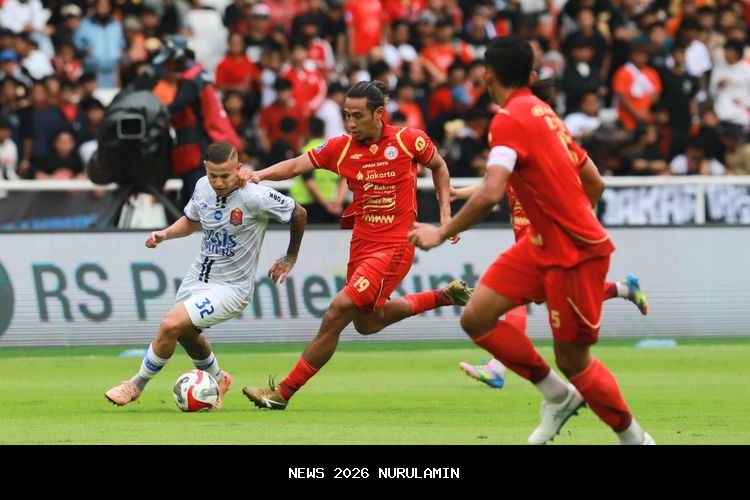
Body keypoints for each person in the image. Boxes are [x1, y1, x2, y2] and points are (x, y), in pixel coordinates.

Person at [408, 36, 654, 445]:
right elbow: (594, 181)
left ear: (487, 75)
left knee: (573, 360)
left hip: (573, 252)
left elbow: (491, 193)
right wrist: (572, 214)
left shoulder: (507, 120)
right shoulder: (546, 114)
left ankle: (637, 440)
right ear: (531, 75)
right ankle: (558, 397)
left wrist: (441, 232)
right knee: (476, 317)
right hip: (541, 244)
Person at [240, 80, 471, 410]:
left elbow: (439, 166)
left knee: (336, 312)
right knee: (367, 323)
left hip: (395, 247)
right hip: (361, 245)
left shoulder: (408, 140)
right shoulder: (341, 147)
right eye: (346, 115)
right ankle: (443, 296)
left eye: (357, 116)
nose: (350, 123)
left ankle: (282, 393)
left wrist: (446, 215)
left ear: (379, 114)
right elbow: (296, 165)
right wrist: (259, 175)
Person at [104, 141, 307, 408]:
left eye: (226, 175)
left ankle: (135, 385)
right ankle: (219, 379)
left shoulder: (255, 196)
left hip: (232, 288)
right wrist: (165, 234)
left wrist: (290, 256)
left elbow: (299, 213)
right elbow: (191, 221)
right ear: (205, 169)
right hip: (198, 277)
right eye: (213, 175)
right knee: (186, 335)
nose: (219, 182)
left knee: (170, 325)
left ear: (239, 168)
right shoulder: (202, 186)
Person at [450, 182, 650, 390]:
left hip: (546, 247)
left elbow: (592, 184)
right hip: (530, 248)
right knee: (563, 295)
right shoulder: (511, 170)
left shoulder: (540, 171)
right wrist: (458, 193)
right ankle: (624, 289)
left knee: (513, 295)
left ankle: (499, 367)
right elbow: (490, 183)